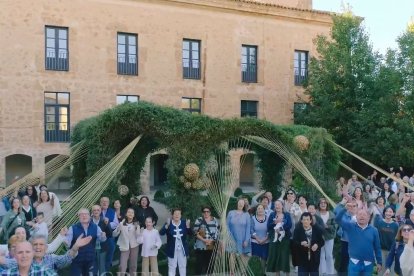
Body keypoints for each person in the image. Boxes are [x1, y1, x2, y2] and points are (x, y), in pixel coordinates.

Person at [336, 199, 382, 275]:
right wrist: (345, 209)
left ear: (368, 217)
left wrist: (379, 262)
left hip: (368, 263)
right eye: (360, 214)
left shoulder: (374, 230)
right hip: (354, 262)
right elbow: (337, 219)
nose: (362, 216)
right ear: (356, 217)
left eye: (364, 215)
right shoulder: (350, 226)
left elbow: (377, 247)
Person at [65, 208, 107, 276]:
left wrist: (103, 236)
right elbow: (67, 245)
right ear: (78, 216)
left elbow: (102, 239)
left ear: (90, 215)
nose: (84, 216)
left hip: (91, 260)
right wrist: (65, 240)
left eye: (86, 214)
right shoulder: (72, 228)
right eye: (81, 214)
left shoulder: (96, 227)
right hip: (76, 261)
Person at [159, 208, 191, 276]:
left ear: (181, 215)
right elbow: (161, 233)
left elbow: (191, 233)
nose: (177, 215)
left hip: (182, 249)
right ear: (172, 215)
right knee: (172, 266)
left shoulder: (184, 223)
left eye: (178, 214)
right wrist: (166, 226)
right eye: (175, 214)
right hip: (171, 249)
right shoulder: (169, 223)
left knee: (182, 266)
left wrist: (188, 227)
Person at [267, 199, 292, 274]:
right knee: (275, 256)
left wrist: (281, 228)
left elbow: (289, 225)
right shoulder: (272, 214)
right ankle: (277, 274)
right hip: (274, 238)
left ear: (282, 205)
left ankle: (287, 274)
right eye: (276, 205)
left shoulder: (287, 214)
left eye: (278, 204)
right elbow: (268, 226)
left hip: (285, 239)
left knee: (284, 256)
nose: (277, 206)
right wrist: (275, 223)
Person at [113, 208, 141, 274]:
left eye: (132, 213)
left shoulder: (136, 224)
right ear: (126, 214)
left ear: (134, 215)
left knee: (133, 265)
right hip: (124, 246)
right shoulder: (122, 223)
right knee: (122, 265)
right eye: (129, 212)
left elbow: (138, 236)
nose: (130, 214)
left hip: (134, 246)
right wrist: (119, 227)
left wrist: (137, 228)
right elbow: (114, 234)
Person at [193, 206, 219, 275]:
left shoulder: (215, 220)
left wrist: (211, 240)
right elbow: (195, 233)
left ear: (210, 212)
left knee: (210, 265)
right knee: (199, 265)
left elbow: (217, 232)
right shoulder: (199, 220)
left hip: (211, 246)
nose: (206, 213)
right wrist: (204, 240)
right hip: (200, 246)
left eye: (208, 211)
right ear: (202, 213)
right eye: (204, 211)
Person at [372, 205, 399, 273]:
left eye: (390, 212)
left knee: (390, 270)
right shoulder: (380, 222)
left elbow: (397, 238)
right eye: (386, 211)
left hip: (391, 251)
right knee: (381, 270)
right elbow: (375, 236)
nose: (388, 213)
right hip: (380, 250)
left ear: (393, 213)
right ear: (384, 213)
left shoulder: (396, 225)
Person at [90, 205, 112, 276]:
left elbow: (110, 234)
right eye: (94, 210)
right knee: (92, 267)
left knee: (102, 267)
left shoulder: (104, 220)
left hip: (102, 247)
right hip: (91, 248)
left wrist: (107, 224)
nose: (96, 211)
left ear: (100, 211)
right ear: (92, 212)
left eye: (98, 210)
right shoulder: (88, 221)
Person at [317, 198, 336, 276]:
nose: (323, 204)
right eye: (321, 203)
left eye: (325, 203)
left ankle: (330, 272)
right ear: (319, 205)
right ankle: (323, 272)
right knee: (321, 255)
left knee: (329, 255)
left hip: (329, 237)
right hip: (319, 237)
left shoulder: (331, 213)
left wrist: (328, 226)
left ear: (327, 204)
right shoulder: (316, 214)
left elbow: (335, 226)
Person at [100, 196, 118, 271]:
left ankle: (107, 268)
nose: (104, 203)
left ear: (108, 203)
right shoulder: (96, 210)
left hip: (109, 235)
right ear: (100, 203)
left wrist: (108, 224)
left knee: (111, 248)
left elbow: (116, 223)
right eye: (103, 201)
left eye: (106, 201)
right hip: (99, 236)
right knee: (99, 253)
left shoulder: (112, 211)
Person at [250, 204, 269, 272]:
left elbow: (270, 230)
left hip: (266, 242)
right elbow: (251, 230)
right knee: (256, 259)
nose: (260, 210)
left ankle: (262, 273)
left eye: (261, 208)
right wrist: (258, 239)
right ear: (256, 210)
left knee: (264, 258)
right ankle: (255, 273)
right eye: (259, 208)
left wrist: (265, 239)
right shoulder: (253, 218)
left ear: (264, 210)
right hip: (255, 242)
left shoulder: (267, 218)